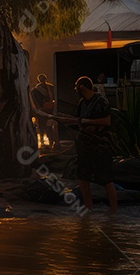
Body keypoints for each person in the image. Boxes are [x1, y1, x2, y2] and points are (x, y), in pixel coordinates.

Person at [52, 77, 118, 214]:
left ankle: (113, 209)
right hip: (85, 145)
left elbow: (107, 121)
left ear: (82, 87)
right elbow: (79, 122)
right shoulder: (82, 103)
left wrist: (85, 121)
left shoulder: (100, 102)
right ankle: (89, 208)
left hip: (100, 145)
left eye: (77, 86)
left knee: (106, 178)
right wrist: (65, 120)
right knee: (83, 177)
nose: (75, 89)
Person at [31, 74, 58, 150]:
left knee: (49, 127)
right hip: (41, 112)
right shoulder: (35, 91)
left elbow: (54, 98)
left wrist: (52, 104)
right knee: (41, 127)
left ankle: (51, 143)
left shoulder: (50, 88)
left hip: (49, 111)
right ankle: (43, 143)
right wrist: (39, 109)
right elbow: (35, 102)